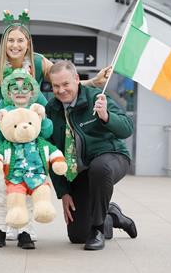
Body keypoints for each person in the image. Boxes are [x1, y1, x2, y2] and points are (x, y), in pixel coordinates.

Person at [0, 9, 111, 249]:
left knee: (33, 181)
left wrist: (94, 82)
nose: (15, 45)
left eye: (20, 40)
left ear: (28, 44)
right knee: (7, 186)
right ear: (4, 43)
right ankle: (1, 229)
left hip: (38, 131)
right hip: (10, 134)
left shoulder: (38, 62)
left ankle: (26, 230)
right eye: (10, 40)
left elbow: (66, 81)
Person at [45, 60, 138, 251]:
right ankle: (111, 214)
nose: (61, 90)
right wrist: (64, 192)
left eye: (65, 84)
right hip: (81, 172)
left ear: (77, 80)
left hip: (112, 158)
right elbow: (52, 153)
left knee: (100, 168)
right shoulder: (51, 109)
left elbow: (127, 128)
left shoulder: (97, 97)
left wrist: (106, 116)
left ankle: (97, 229)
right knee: (78, 236)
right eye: (56, 86)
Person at [0, 68, 53, 250]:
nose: (19, 91)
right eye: (14, 88)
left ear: (32, 92)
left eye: (25, 87)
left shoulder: (36, 110)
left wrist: (44, 117)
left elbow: (47, 131)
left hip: (34, 166)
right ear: (8, 92)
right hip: (10, 163)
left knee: (29, 200)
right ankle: (0, 229)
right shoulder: (5, 110)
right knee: (4, 198)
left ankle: (25, 232)